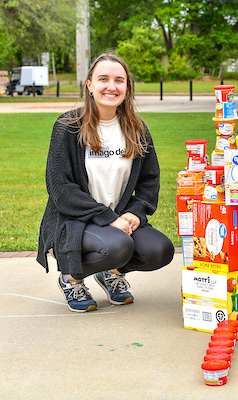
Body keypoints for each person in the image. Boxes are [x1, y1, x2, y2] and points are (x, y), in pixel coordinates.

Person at [37, 52, 175, 312]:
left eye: (119, 80)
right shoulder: (68, 126)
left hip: (118, 219)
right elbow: (60, 188)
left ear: (127, 88)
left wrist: (135, 212)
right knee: (119, 246)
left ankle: (108, 272)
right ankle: (70, 277)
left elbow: (149, 180)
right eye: (103, 79)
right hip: (75, 221)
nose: (111, 86)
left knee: (160, 250)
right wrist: (109, 218)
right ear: (89, 85)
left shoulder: (136, 129)